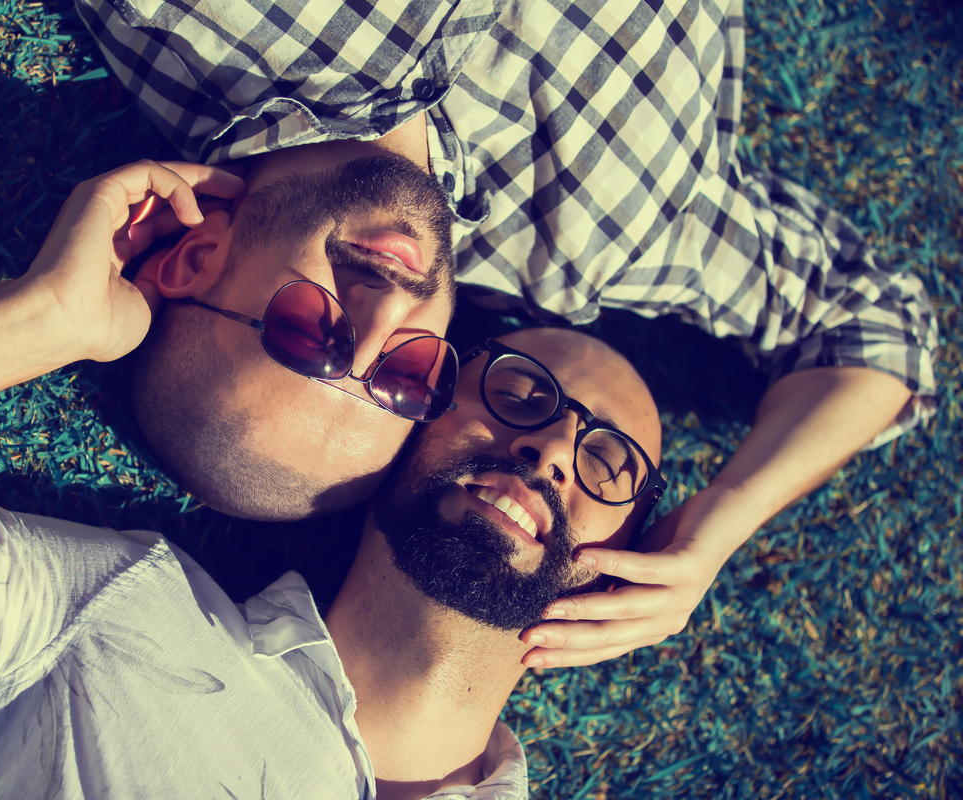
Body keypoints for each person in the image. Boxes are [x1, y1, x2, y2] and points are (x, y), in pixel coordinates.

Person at [79, 0, 939, 666]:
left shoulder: (199, 24)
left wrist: (43, 322)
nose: (386, 313)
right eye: (402, 377)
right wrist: (714, 527)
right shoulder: (601, 241)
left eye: (310, 334)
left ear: (197, 258)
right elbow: (873, 327)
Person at [0, 169, 664, 796]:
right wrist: (47, 319)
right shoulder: (113, 612)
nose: (552, 449)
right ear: (411, 433)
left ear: (618, 567)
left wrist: (722, 527)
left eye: (610, 464)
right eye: (517, 394)